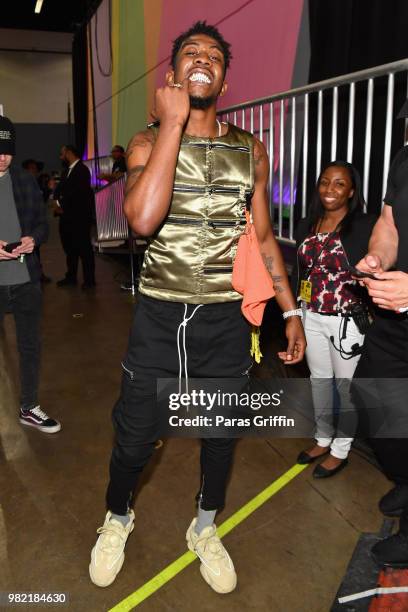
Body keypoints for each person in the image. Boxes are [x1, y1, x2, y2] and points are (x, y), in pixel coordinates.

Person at [89, 21, 306, 592]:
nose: (203, 59)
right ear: (172, 76)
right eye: (191, 53)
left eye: (213, 55)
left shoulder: (251, 151)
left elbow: (262, 240)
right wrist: (174, 123)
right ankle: (118, 517)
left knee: (219, 435)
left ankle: (205, 527)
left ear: (225, 79)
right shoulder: (145, 142)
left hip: (225, 319)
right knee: (136, 436)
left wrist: (291, 311)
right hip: (160, 316)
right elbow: (140, 219)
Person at [293, 161, 376, 477]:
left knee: (345, 389)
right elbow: (297, 272)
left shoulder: (365, 226)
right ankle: (322, 438)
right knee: (318, 382)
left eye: (339, 183)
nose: (330, 189)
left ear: (351, 191)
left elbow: (379, 267)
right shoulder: (307, 225)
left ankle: (340, 450)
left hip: (347, 323)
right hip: (310, 314)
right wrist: (295, 315)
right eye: (325, 182)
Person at [353, 99, 408, 568]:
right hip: (396, 314)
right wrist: (378, 258)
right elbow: (388, 223)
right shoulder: (406, 155)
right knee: (373, 397)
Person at [0, 115, 60, 433]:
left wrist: (32, 240)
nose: (2, 156)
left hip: (25, 281)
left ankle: (29, 407)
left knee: (29, 346)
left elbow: (42, 224)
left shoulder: (24, 181)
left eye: (6, 150)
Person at [54, 145, 96, 289]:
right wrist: (56, 200)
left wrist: (62, 205)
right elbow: (61, 190)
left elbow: (77, 194)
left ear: (69, 153)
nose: (61, 156)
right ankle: (71, 276)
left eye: (62, 153)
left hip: (79, 217)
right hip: (68, 218)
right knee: (70, 248)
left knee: (84, 249)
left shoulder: (82, 170)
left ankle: (89, 281)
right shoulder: (67, 171)